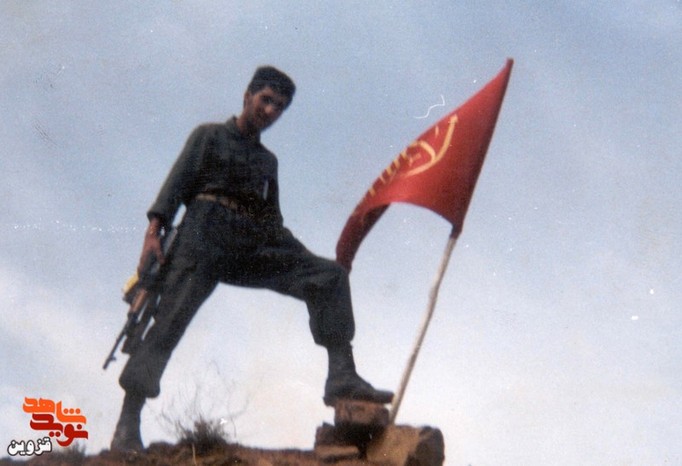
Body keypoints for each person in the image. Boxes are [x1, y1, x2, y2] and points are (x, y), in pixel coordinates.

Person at [111, 66, 393, 451]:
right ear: (247, 97)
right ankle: (127, 423)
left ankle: (342, 376)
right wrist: (152, 234)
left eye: (280, 107)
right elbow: (175, 187)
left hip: (252, 242)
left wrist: (299, 256)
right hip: (203, 236)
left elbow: (272, 220)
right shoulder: (209, 135)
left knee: (329, 276)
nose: (271, 111)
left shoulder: (267, 162)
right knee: (168, 323)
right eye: (266, 100)